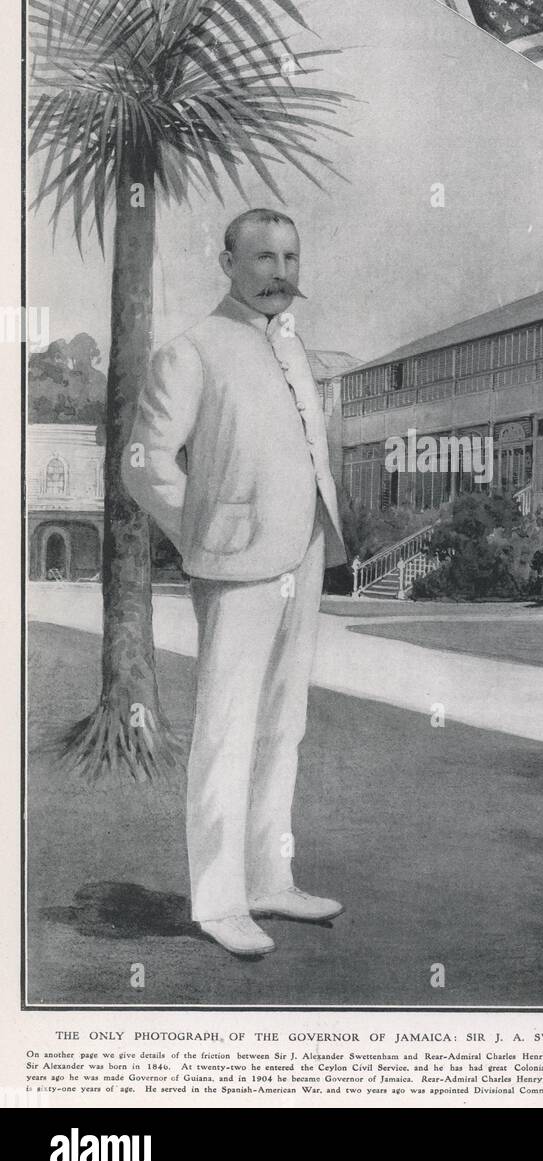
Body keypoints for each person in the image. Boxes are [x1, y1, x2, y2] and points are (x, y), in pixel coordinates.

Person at [123, 208, 348, 957]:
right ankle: (217, 901)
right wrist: (203, 529)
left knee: (284, 723)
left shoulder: (292, 347)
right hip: (234, 561)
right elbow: (143, 463)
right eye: (262, 258)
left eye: (290, 256)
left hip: (304, 553)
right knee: (227, 727)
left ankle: (267, 880)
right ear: (227, 264)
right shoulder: (192, 351)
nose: (280, 272)